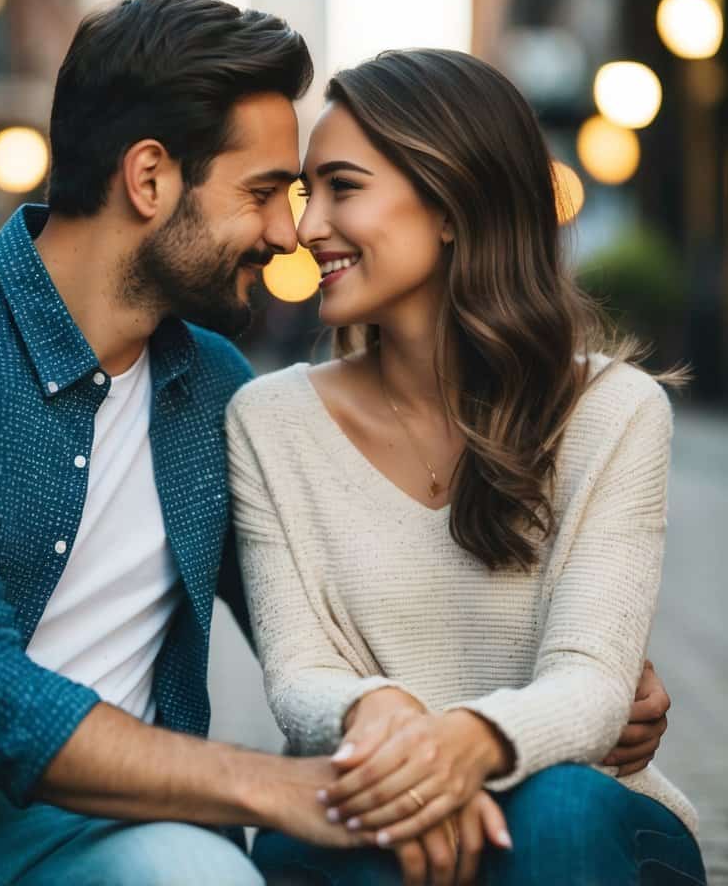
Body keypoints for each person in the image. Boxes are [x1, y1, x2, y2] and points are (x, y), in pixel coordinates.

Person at [0, 0, 363, 885]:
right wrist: (267, 787)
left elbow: (322, 628)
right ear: (148, 178)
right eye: (263, 192)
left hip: (107, 839)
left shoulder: (222, 388)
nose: (287, 233)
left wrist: (531, 697)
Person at [226, 48, 706, 886]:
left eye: (343, 187)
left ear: (450, 203)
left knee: (553, 813)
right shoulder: (268, 421)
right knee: (325, 841)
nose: (306, 229)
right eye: (307, 194)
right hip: (377, 797)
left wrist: (465, 748)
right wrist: (406, 748)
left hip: (591, 822)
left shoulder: (614, 411)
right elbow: (301, 680)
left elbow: (593, 687)